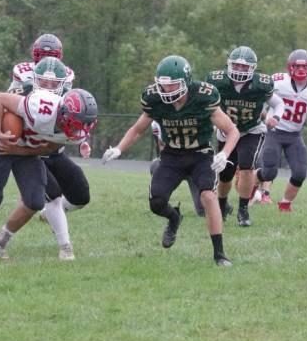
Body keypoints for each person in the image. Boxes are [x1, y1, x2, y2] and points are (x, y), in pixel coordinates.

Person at [0, 64, 98, 260]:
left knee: (35, 201)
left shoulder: (75, 134)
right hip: (0, 143)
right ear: (63, 114)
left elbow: (49, 149)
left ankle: (0, 240)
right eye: (77, 123)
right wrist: (1, 133)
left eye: (84, 125)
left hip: (26, 150)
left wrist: (19, 150)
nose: (80, 131)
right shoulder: (42, 106)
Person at [102, 55, 239, 266]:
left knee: (208, 197)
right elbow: (138, 129)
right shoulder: (154, 98)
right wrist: (119, 148)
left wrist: (224, 153)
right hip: (172, 155)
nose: (167, 90)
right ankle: (174, 218)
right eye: (163, 85)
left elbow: (232, 131)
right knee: (156, 203)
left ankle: (219, 254)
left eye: (173, 84)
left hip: (200, 154)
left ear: (185, 81)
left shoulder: (203, 96)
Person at [8, 33, 92, 225]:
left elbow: (73, 108)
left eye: (51, 56)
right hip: (30, 144)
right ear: (34, 55)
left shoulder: (66, 75)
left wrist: (82, 140)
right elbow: (9, 101)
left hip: (53, 146)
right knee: (49, 194)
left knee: (81, 196)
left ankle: (50, 215)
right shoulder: (23, 73)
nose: (46, 61)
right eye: (42, 56)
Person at [207, 46, 284, 227]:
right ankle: (222, 203)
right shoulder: (218, 81)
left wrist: (276, 117)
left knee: (247, 167)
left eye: (244, 67)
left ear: (252, 68)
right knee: (225, 173)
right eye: (236, 65)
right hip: (227, 131)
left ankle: (243, 210)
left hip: (252, 130)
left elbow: (278, 103)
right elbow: (207, 104)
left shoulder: (261, 84)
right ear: (229, 64)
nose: (240, 69)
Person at [253, 49, 307, 212]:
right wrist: (265, 118)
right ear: (289, 67)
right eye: (297, 67)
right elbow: (258, 103)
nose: (301, 70)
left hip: (295, 135)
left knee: (300, 173)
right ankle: (252, 187)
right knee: (269, 172)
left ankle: (285, 204)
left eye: (305, 67)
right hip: (274, 131)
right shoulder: (277, 81)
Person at [150, 120, 205, 217]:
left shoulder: (192, 115)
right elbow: (161, 145)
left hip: (193, 165)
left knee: (203, 210)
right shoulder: (157, 121)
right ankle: (161, 201)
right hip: (173, 165)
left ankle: (223, 203)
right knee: (156, 165)